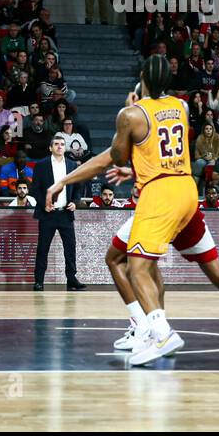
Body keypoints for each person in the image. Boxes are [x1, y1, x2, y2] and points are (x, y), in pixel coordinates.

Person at [46, 55, 194, 365]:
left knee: (138, 267)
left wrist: (63, 182)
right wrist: (136, 170)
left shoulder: (131, 115)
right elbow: (155, 147)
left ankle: (161, 332)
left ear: (143, 78)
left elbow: (113, 156)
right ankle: (143, 326)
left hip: (159, 195)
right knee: (120, 258)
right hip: (186, 190)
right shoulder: (182, 107)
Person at [98, 164, 219, 355]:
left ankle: (148, 329)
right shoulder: (178, 138)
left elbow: (109, 158)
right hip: (186, 205)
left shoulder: (140, 138)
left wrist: (62, 182)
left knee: (124, 262)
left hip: (155, 210)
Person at [28, 134, 88, 291]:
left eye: (62, 144)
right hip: (48, 213)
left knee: (70, 247)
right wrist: (44, 204)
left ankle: (71, 279)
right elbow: (35, 190)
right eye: (56, 144)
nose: (60, 146)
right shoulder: (41, 165)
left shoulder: (72, 165)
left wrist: (75, 202)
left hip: (65, 213)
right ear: (50, 147)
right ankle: (39, 280)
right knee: (43, 248)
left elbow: (77, 188)